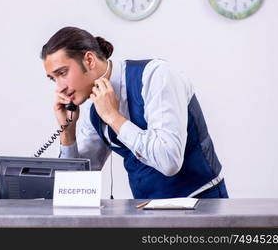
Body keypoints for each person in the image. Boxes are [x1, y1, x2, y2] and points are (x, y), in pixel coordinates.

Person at [41, 26, 228, 199]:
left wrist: (113, 117)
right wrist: (67, 131)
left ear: (89, 60)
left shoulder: (156, 75)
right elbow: (77, 186)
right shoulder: (94, 107)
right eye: (53, 79)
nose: (60, 88)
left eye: (63, 73)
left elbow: (170, 161)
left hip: (201, 202)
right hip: (146, 209)